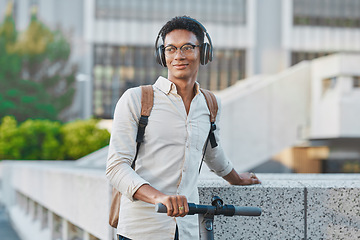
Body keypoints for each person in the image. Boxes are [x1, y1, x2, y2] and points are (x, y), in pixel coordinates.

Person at [106, 16, 261, 240]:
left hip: (187, 229)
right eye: (171, 49)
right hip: (142, 230)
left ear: (203, 52)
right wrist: (159, 197)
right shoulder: (137, 99)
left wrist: (236, 178)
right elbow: (116, 168)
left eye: (187, 47)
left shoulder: (210, 104)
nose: (179, 55)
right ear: (163, 55)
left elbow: (212, 152)